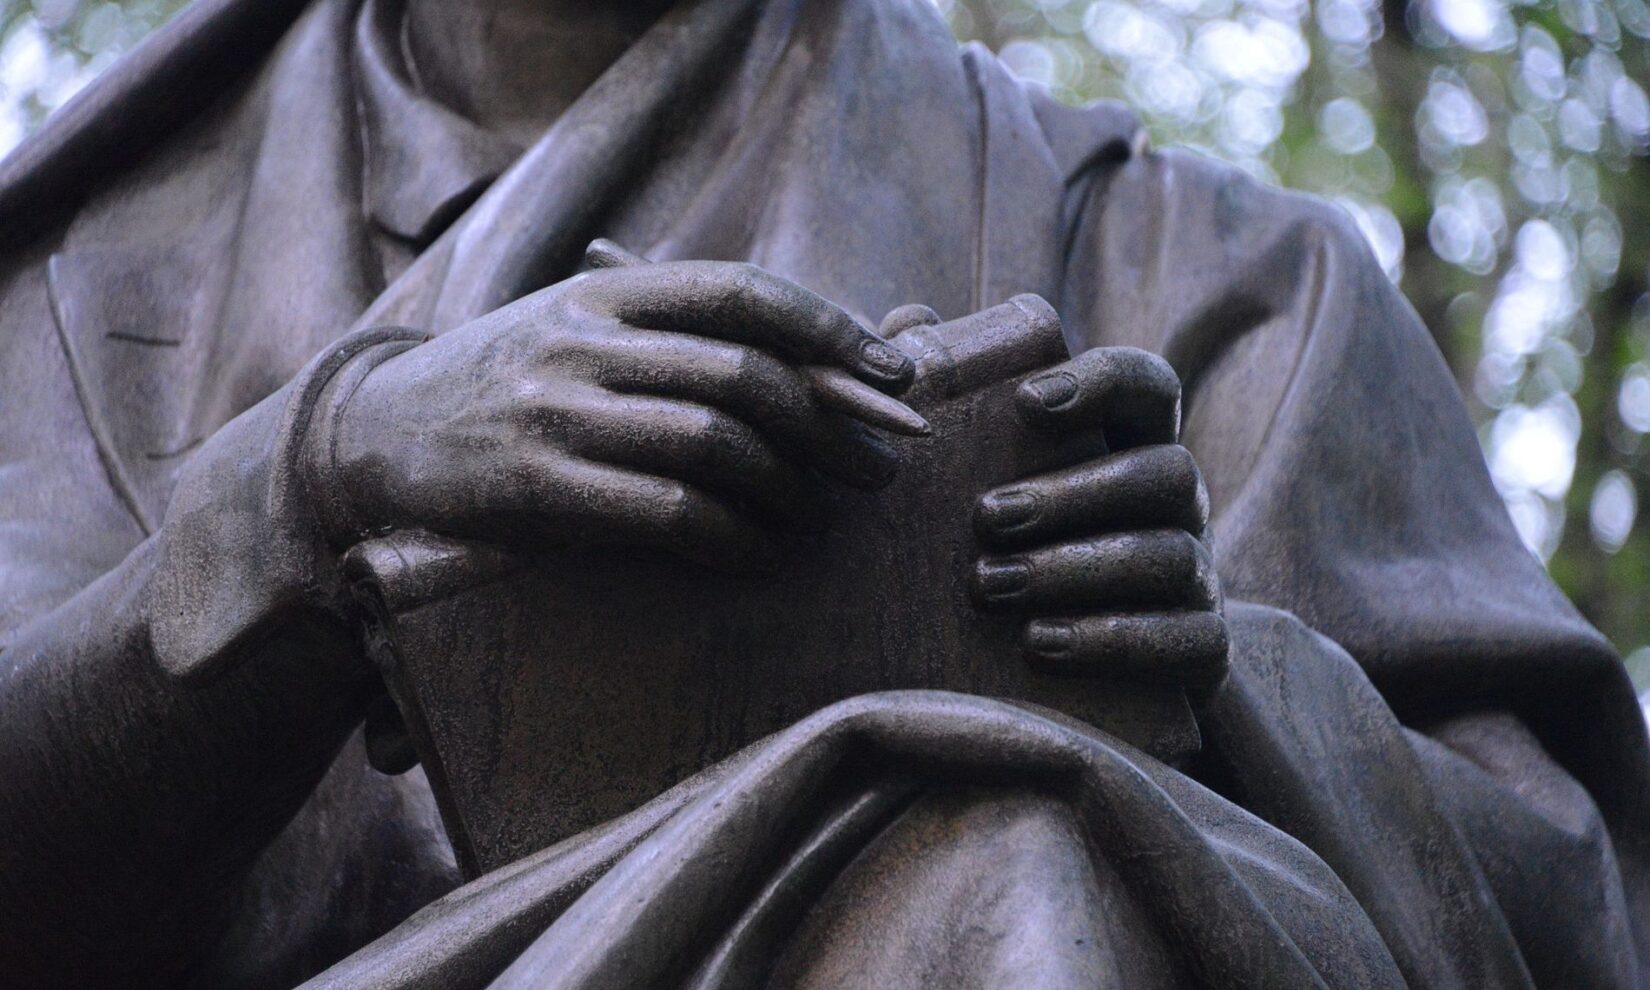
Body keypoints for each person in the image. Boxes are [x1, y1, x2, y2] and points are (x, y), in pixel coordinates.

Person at [0, 0, 1645, 986]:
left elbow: (1568, 908)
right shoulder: (77, 299)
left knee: (1004, 844)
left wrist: (1229, 691)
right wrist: (302, 494)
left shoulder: (1226, 285)